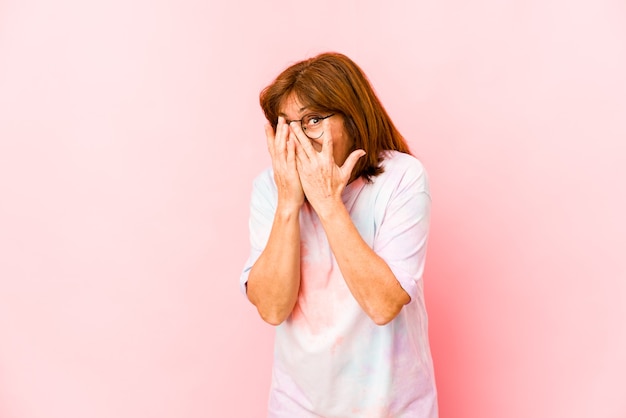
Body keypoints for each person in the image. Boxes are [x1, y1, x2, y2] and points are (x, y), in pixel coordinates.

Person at [240, 52, 438, 418]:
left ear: (352, 117)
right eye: (286, 124)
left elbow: (382, 305)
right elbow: (271, 308)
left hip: (390, 407)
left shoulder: (402, 179)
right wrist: (288, 204)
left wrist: (328, 203)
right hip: (298, 407)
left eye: (313, 120)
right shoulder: (270, 188)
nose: (297, 138)